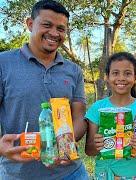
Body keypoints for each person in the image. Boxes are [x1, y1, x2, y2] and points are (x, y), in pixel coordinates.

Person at [0, 0, 88, 179]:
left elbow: (78, 118)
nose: (54, 33)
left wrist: (66, 144)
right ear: (30, 24)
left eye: (61, 29)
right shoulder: (3, 63)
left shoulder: (73, 70)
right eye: (47, 25)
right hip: (17, 174)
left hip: (71, 173)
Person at [85, 52, 136, 180]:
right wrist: (97, 145)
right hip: (105, 174)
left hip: (135, 174)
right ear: (107, 77)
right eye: (115, 73)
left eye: (128, 73)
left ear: (135, 78)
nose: (121, 78)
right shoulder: (97, 108)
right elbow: (89, 150)